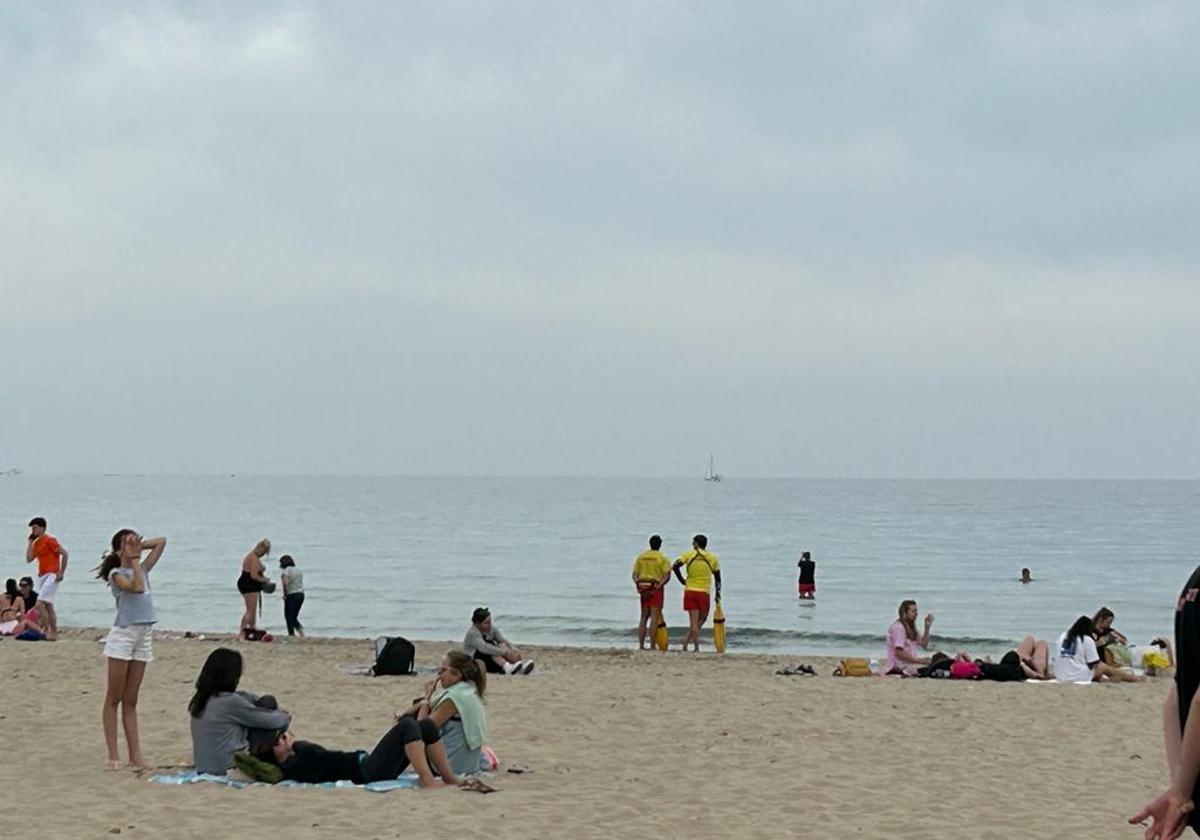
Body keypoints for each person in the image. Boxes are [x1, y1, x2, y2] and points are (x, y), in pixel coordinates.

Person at [96, 529, 166, 769]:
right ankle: (113, 755)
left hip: (144, 635)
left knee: (131, 699)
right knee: (113, 697)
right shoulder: (117, 574)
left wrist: (139, 546)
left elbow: (162, 543)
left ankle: (135, 756)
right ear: (118, 550)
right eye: (128, 542)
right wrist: (133, 557)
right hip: (123, 635)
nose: (134, 545)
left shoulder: (142, 568)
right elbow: (135, 587)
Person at [253, 715, 463, 789]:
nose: (287, 739)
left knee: (426, 725)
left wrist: (295, 746)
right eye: (281, 739)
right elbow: (317, 755)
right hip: (364, 772)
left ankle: (448, 778)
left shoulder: (296, 759)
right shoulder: (293, 766)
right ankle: (427, 780)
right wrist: (297, 744)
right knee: (408, 725)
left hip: (367, 765)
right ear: (274, 750)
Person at [188, 647, 292, 775]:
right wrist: (285, 714)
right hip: (230, 767)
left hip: (204, 766)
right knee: (268, 703)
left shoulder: (201, 699)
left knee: (264, 703)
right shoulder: (230, 702)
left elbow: (245, 698)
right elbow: (274, 722)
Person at [398, 650, 487, 777]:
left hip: (451, 767)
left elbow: (422, 730)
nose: (439, 674)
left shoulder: (453, 699)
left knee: (408, 726)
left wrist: (427, 697)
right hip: (467, 764)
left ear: (457, 675)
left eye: (443, 670)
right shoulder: (468, 691)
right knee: (417, 708)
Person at [672, 534, 722, 652]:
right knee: (702, 619)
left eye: (693, 543)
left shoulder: (689, 555)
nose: (692, 545)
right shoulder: (712, 558)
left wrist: (682, 581)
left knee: (694, 621)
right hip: (704, 592)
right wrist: (718, 594)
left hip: (690, 591)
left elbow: (675, 566)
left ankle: (686, 643)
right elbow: (718, 578)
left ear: (697, 544)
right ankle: (695, 647)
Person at [1054, 616, 1138, 684]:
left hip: (1060, 675)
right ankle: (1133, 679)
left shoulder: (1062, 636)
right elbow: (1095, 663)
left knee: (1090, 667)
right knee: (1102, 667)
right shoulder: (1085, 638)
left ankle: (1103, 680)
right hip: (1075, 676)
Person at [26, 517, 67, 640]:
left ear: (42, 528)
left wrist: (61, 572)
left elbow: (64, 553)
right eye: (32, 528)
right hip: (42, 575)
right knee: (48, 605)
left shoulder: (50, 540)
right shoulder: (37, 543)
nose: (33, 530)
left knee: (39, 603)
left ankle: (48, 629)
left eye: (35, 528)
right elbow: (29, 559)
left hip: (52, 574)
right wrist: (29, 543)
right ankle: (54, 632)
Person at [463, 607, 534, 675]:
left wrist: (513, 649)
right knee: (491, 647)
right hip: (476, 662)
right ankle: (507, 667)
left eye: (490, 621)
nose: (490, 625)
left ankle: (518, 667)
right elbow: (484, 648)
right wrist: (504, 652)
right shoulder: (473, 633)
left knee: (502, 645)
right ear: (478, 623)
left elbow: (502, 640)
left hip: (491, 660)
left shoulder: (491, 629)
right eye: (486, 623)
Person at [632, 534, 671, 650]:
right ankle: (653, 645)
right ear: (660, 545)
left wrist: (638, 584)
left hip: (644, 589)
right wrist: (660, 585)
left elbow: (634, 575)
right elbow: (667, 575)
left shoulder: (641, 557)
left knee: (643, 617)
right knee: (654, 617)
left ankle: (641, 645)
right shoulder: (662, 558)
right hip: (655, 589)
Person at [884, 599, 935, 675]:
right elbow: (899, 652)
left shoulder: (911, 628)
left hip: (909, 664)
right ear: (904, 613)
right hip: (898, 666)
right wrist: (919, 660)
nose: (916, 614)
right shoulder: (899, 628)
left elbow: (924, 644)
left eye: (916, 611)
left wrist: (927, 628)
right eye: (913, 611)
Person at [237, 538, 272, 635]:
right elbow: (254, 576)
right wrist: (265, 580)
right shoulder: (253, 558)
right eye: (264, 552)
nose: (263, 554)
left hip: (248, 583)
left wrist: (262, 572)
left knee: (253, 609)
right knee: (250, 610)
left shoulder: (252, 557)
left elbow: (258, 570)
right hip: (249, 584)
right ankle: (242, 632)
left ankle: (251, 628)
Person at [279, 554, 305, 638]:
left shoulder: (286, 571)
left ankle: (292, 633)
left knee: (288, 616)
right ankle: (299, 631)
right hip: (300, 594)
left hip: (292, 595)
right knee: (294, 615)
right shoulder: (298, 570)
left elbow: (285, 583)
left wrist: (285, 595)